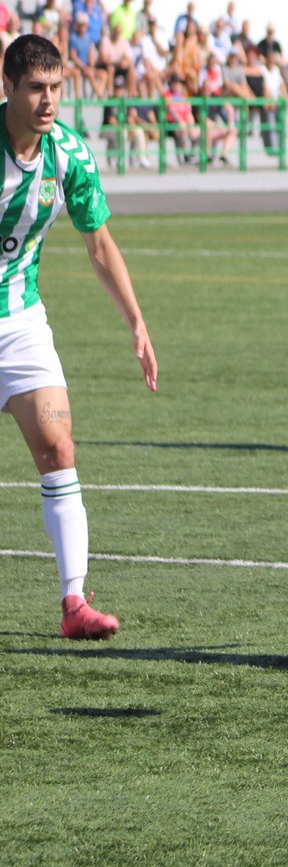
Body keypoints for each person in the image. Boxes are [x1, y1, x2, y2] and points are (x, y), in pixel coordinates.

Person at [0, 35, 158, 639]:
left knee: (58, 449)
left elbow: (99, 244)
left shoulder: (68, 154)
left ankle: (74, 604)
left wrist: (137, 322)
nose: (48, 101)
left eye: (56, 88)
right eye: (36, 88)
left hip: (20, 323)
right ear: (9, 87)